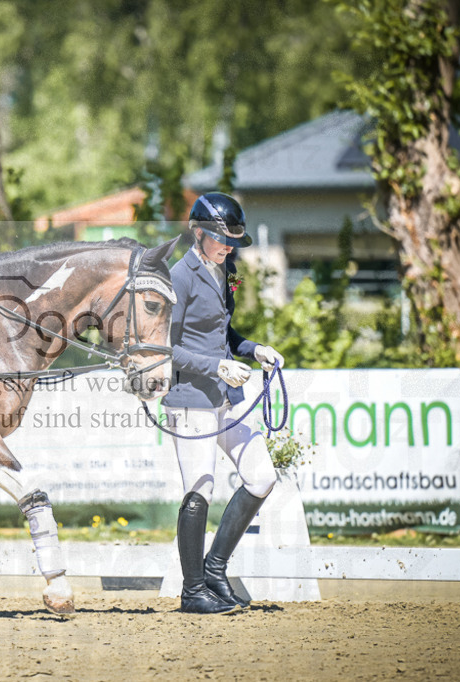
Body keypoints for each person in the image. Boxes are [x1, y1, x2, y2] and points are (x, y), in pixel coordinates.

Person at [162, 191, 286, 614]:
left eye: (233, 239)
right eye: (222, 238)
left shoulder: (223, 269)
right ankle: (192, 590)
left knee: (262, 476)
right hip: (190, 398)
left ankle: (215, 568)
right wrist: (216, 368)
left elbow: (225, 335)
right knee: (200, 489)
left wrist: (253, 349)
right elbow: (163, 348)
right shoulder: (180, 275)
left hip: (225, 398)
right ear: (199, 233)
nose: (229, 246)